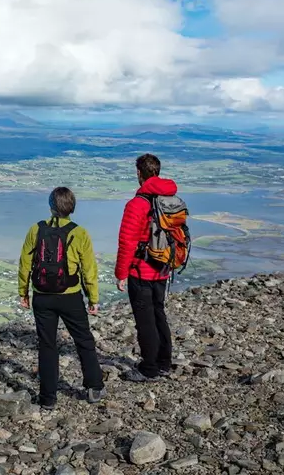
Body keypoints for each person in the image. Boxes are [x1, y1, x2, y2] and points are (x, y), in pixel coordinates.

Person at [18, 187, 105, 409]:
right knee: (83, 340)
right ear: (71, 208)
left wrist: (23, 292)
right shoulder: (80, 233)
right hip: (70, 297)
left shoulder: (36, 230)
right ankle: (94, 387)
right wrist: (93, 298)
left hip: (42, 296)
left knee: (47, 344)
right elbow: (88, 269)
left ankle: (48, 398)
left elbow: (25, 264)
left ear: (51, 207)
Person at [115, 154, 176, 382]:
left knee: (145, 320)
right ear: (157, 172)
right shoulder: (170, 201)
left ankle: (148, 368)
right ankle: (164, 363)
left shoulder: (137, 204)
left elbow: (127, 242)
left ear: (139, 173)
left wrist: (121, 273)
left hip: (141, 271)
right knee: (159, 313)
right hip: (162, 269)